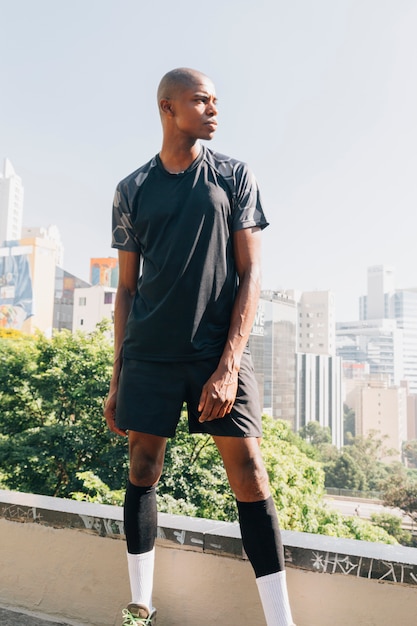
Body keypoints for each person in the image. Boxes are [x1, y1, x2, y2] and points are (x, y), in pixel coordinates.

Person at [104, 67, 295, 626]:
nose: (214, 109)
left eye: (216, 101)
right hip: (149, 355)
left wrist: (229, 364)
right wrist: (118, 381)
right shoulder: (132, 189)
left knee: (251, 473)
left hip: (217, 353)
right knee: (143, 465)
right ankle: (141, 606)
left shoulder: (234, 175)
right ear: (169, 108)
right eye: (201, 100)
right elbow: (125, 289)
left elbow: (251, 273)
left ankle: (280, 621)